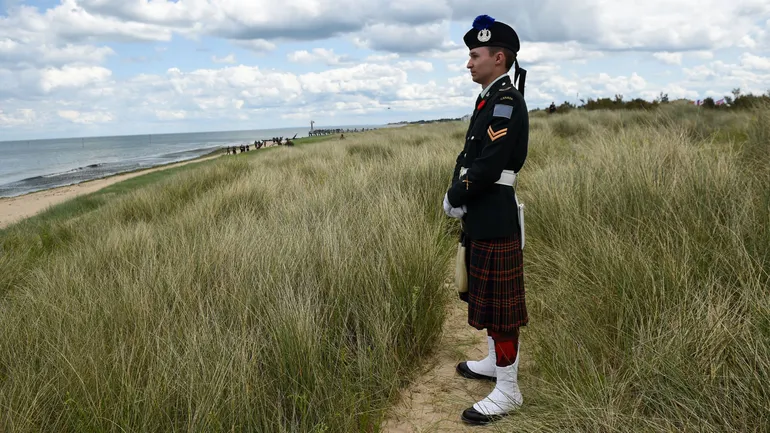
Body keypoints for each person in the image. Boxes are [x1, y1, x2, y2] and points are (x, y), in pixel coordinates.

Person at [442, 14, 529, 426]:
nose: (468, 63)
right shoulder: (488, 99)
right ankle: (495, 363)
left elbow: (489, 162)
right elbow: (470, 156)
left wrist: (457, 194)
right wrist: (457, 193)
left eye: (474, 55)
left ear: (499, 57)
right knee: (489, 300)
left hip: (494, 212)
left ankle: (509, 391)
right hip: (483, 211)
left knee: (502, 310)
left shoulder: (506, 102)